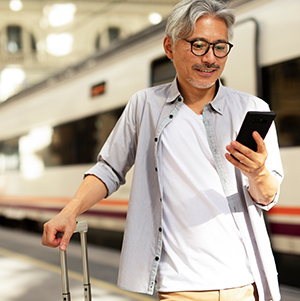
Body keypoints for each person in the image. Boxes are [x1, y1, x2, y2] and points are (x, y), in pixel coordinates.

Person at [42, 0, 284, 300]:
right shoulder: (145, 106)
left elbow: (267, 196)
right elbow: (109, 169)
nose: (210, 58)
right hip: (180, 286)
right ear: (169, 47)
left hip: (246, 282)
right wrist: (69, 213)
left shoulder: (251, 108)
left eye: (220, 47)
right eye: (198, 45)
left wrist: (258, 172)